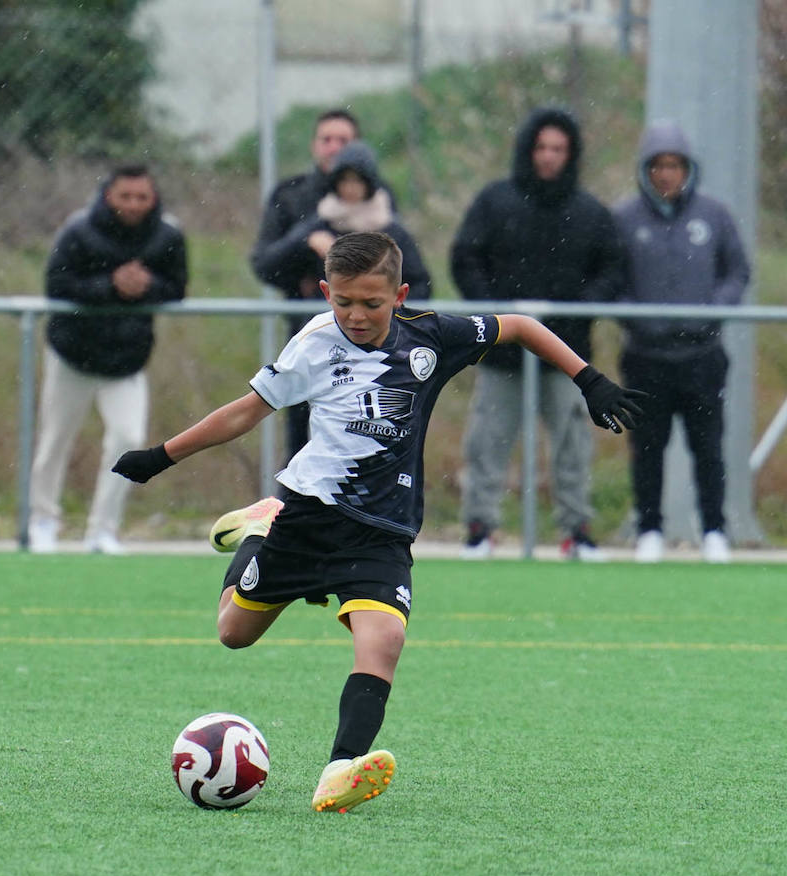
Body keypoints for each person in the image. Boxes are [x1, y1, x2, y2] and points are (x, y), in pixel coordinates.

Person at [111, 232, 645, 813]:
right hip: (309, 514)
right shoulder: (313, 345)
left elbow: (518, 324)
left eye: (372, 303)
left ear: (400, 294)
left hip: (382, 530)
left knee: (384, 639)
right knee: (232, 634)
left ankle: (341, 768)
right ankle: (262, 526)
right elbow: (245, 411)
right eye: (342, 302)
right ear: (325, 293)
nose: (356, 316)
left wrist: (586, 378)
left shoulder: (432, 337)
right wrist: (161, 455)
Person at [451, 106, 627, 560]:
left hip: (566, 354)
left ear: (571, 155)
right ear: (529, 151)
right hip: (501, 351)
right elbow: (466, 257)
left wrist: (582, 309)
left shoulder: (589, 212)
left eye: (558, 149)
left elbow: (613, 266)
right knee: (488, 441)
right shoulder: (495, 202)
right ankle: (479, 529)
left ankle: (576, 531)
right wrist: (491, 312)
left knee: (573, 445)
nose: (549, 157)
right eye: (542, 148)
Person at [27, 163, 188, 554]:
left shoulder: (167, 235)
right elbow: (57, 284)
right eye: (125, 196)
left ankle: (102, 530)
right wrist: (110, 285)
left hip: (127, 360)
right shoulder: (78, 230)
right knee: (55, 440)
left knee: (129, 437)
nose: (133, 205)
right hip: (72, 354)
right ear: (107, 196)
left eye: (142, 197)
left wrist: (147, 286)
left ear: (153, 199)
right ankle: (43, 521)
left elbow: (176, 287)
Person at [612, 121, 751, 564]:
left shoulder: (714, 216)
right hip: (646, 355)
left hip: (702, 354)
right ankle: (650, 529)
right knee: (647, 447)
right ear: (645, 169)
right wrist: (636, 316)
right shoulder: (625, 220)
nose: (666, 174)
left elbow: (737, 270)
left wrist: (713, 309)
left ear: (688, 168)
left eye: (674, 165)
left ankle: (714, 530)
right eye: (658, 165)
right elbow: (611, 279)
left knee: (708, 446)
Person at [250, 109, 386, 461]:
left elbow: (402, 268)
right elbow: (264, 264)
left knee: (366, 439)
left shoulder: (380, 200)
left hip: (369, 342)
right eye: (327, 139)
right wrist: (308, 241)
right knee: (303, 443)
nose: (334, 148)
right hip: (308, 337)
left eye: (344, 141)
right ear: (314, 145)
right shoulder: (291, 194)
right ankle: (294, 513)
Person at [252, 140, 430, 302]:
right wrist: (306, 243)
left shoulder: (391, 230)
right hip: (325, 330)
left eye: (357, 180)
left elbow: (420, 285)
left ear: (369, 184)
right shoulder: (320, 223)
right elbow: (268, 266)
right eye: (344, 180)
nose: (350, 188)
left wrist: (384, 308)